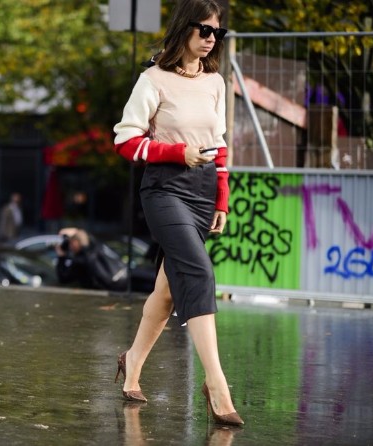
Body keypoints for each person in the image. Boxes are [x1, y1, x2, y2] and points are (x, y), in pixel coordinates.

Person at [112, 0, 243, 427]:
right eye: (203, 30)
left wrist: (221, 197)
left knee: (167, 294)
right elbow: (125, 140)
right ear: (183, 28)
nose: (210, 39)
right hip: (165, 189)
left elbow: (220, 144)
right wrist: (175, 153)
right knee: (199, 273)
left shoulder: (216, 84)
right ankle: (217, 384)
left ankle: (131, 364)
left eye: (217, 33)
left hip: (203, 192)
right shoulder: (153, 79)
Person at [54, 227, 128, 292]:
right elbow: (89, 239)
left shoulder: (80, 260)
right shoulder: (96, 248)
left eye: (71, 243)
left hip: (100, 296)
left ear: (75, 242)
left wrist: (61, 257)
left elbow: (63, 278)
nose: (70, 247)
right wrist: (77, 231)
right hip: (120, 287)